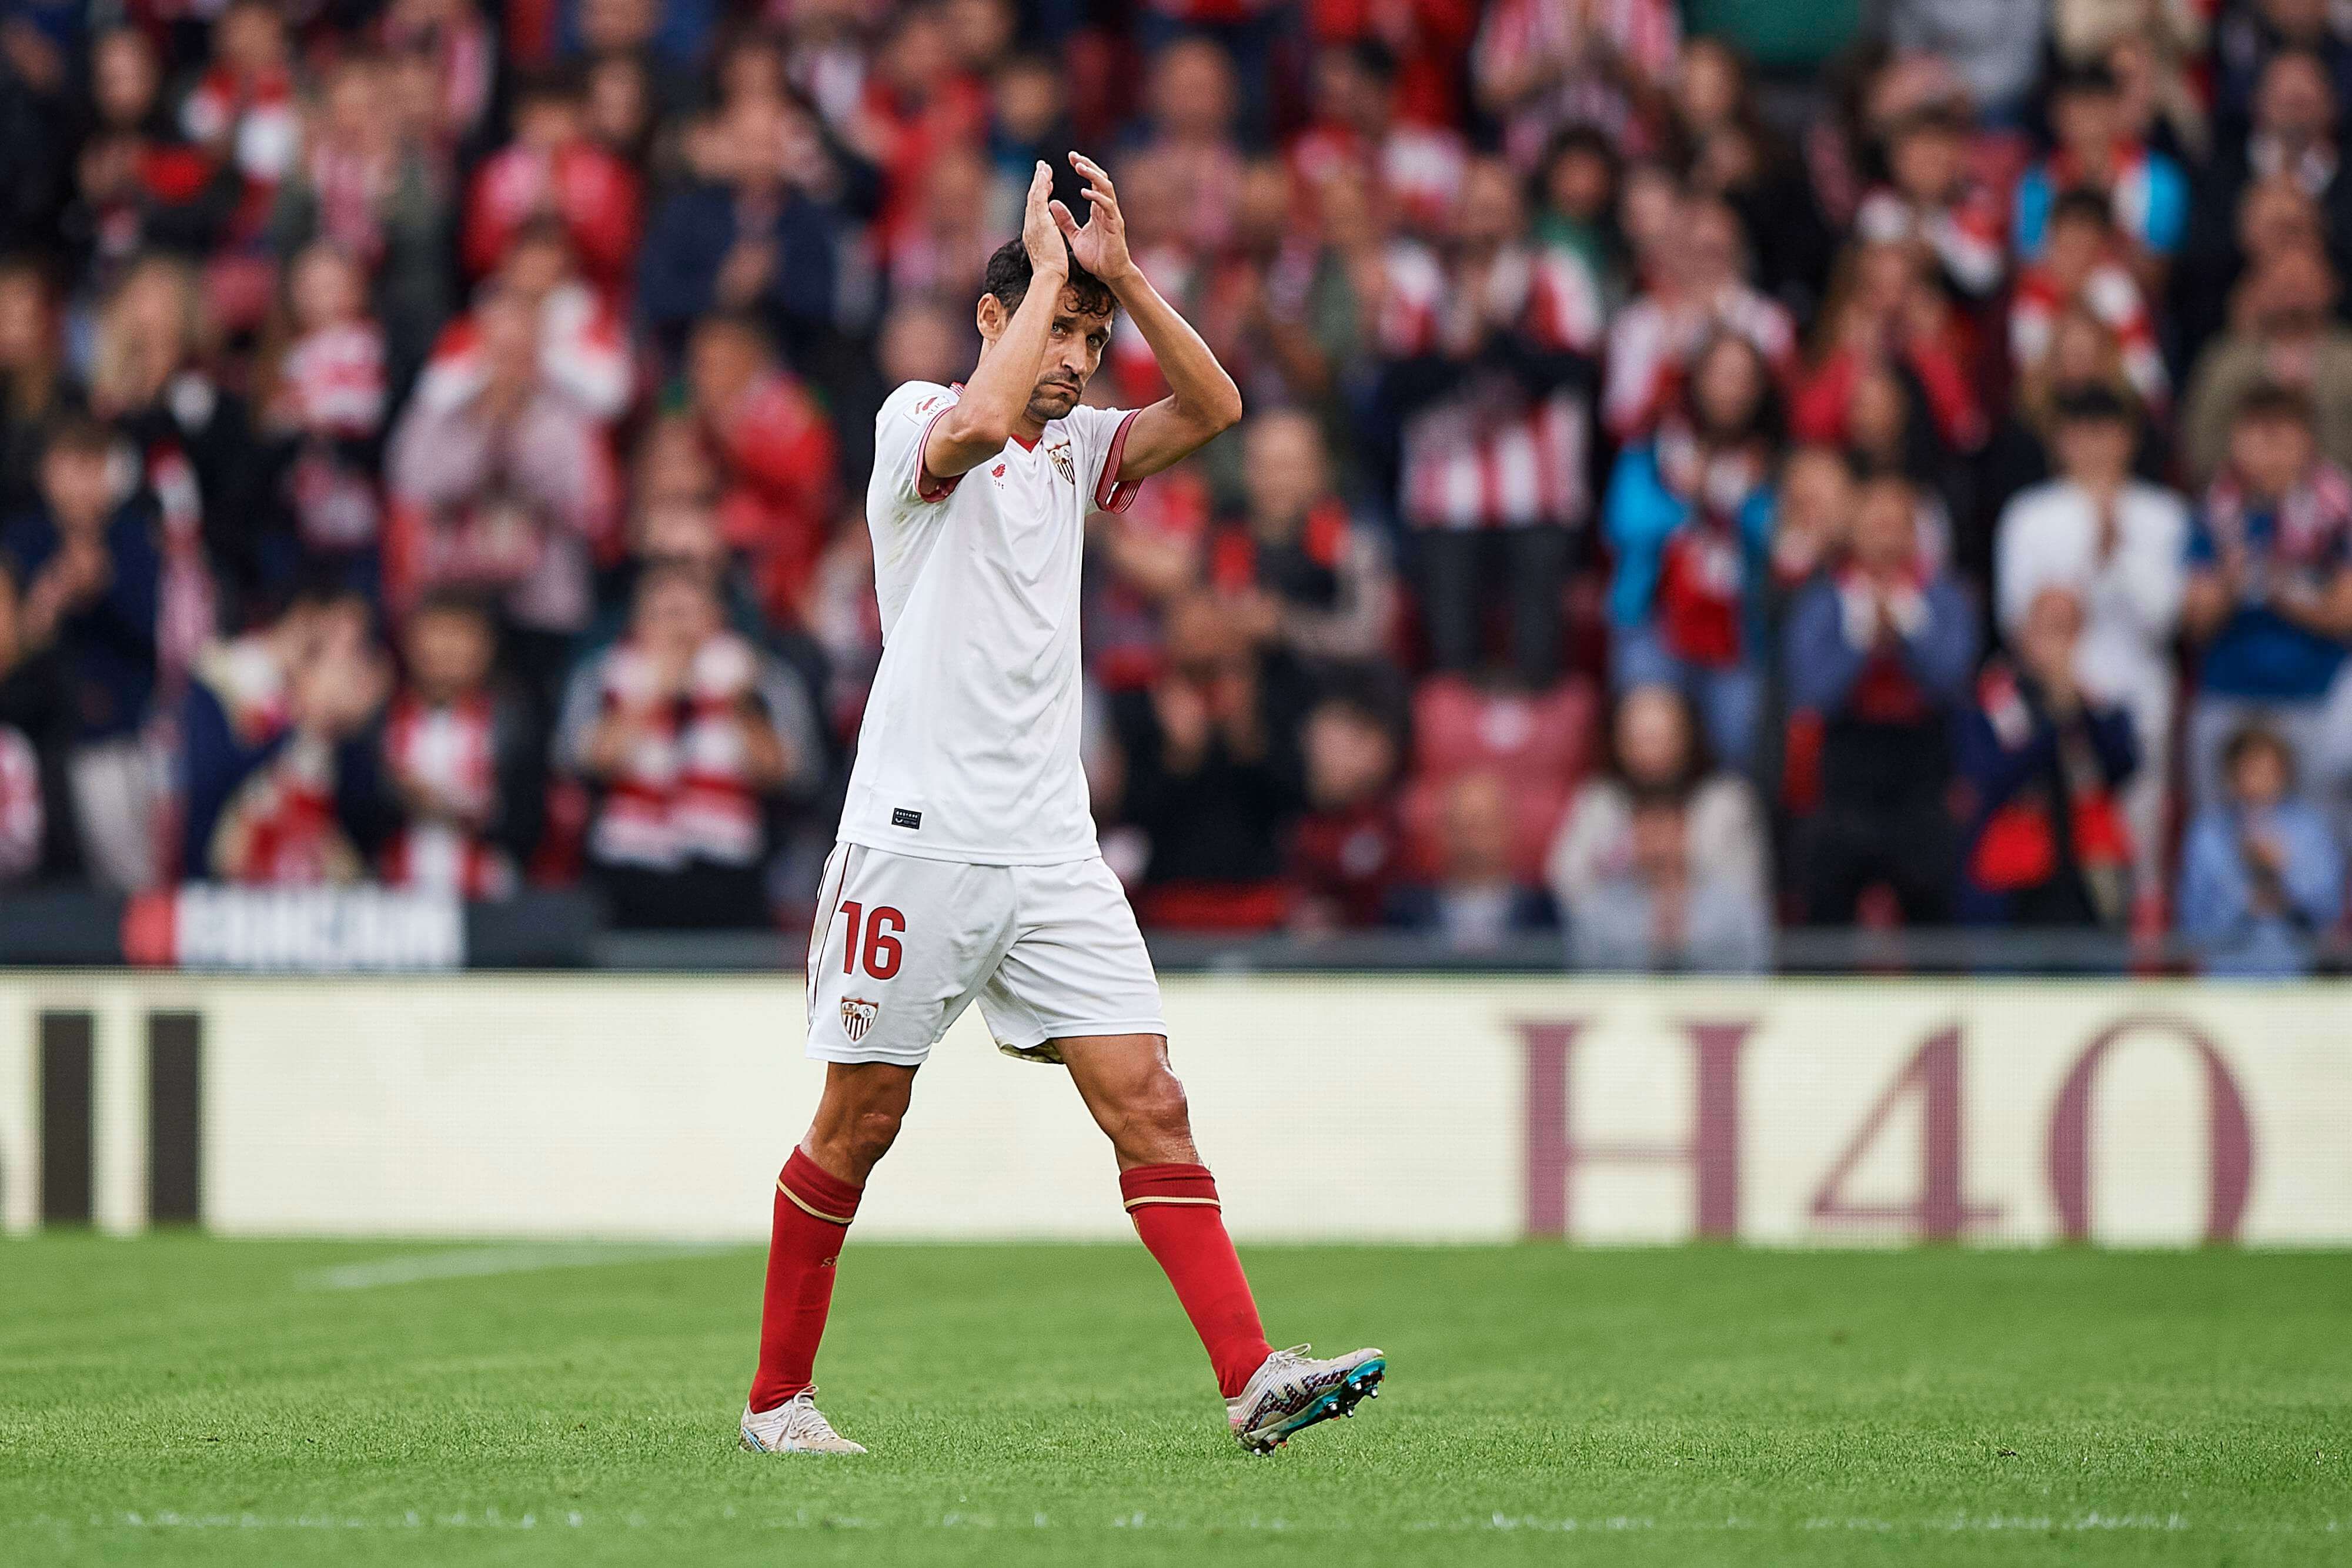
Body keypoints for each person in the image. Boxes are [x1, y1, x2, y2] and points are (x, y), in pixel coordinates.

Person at [742, 157, 1383, 1462]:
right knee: (859, 1123)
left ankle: (1251, 1376)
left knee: (1150, 1100)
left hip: (1050, 849)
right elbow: (982, 421)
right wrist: (1044, 275)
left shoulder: (1082, 452)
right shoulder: (920, 416)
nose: (1079, 360)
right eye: (1060, 330)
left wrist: (1124, 277)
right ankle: (775, 1404)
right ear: (993, 316)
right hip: (917, 840)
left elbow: (1216, 403)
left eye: (1093, 341)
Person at [1994, 386, 2187, 906]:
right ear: (2061, 441)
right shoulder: (2029, 514)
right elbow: (2016, 616)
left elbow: (2166, 620)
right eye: (2081, 433)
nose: (2095, 447)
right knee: (2058, 848)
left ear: (2129, 439)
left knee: (2139, 854)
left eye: (2107, 433)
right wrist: (2063, 686)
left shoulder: (2162, 514)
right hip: (2057, 706)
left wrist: (2116, 550)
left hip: (2140, 699)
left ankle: (2139, 945)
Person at [1784, 472, 1979, 924]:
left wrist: (1907, 630)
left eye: (1897, 526)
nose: (1886, 541)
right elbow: (1812, 694)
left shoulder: (1945, 598)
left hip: (1921, 774)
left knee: (1935, 901)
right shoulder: (1824, 600)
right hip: (1847, 775)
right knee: (1824, 890)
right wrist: (1862, 641)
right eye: (1875, 527)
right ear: (1854, 533)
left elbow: (1953, 681)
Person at [2180, 383, 2352, 822]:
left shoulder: (2337, 514)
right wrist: (2230, 583)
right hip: (2228, 700)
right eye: (2257, 435)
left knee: (2317, 844)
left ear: (2308, 440)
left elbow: (2346, 613)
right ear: (2235, 441)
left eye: (2282, 436)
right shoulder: (2215, 513)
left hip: (2313, 703)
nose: (2270, 451)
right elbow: (2196, 622)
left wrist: (2280, 588)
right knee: (2218, 840)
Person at [1548, 683, 1770, 972]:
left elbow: (1745, 899)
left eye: (1659, 738)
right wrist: (1628, 909)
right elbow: (1568, 883)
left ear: (1687, 737)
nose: (1649, 752)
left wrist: (1677, 898)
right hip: (1620, 959)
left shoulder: (1725, 800)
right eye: (1638, 738)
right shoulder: (1599, 800)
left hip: (1711, 968)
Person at [1959, 587, 2140, 926]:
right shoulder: (1995, 697)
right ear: (2022, 633)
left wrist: (2082, 710)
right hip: (2015, 873)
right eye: (2047, 628)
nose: (2057, 643)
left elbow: (2123, 766)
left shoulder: (2096, 698)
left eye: (2068, 630)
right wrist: (2054, 719)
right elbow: (1990, 777)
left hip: (2087, 868)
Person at [2176, 723, 2344, 974]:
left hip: (2296, 975)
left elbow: (2329, 912)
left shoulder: (2310, 829)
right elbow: (2192, 923)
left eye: (2270, 771)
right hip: (2225, 975)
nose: (2261, 782)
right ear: (2231, 775)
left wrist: (2285, 872)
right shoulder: (2207, 833)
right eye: (2251, 771)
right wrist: (2244, 900)